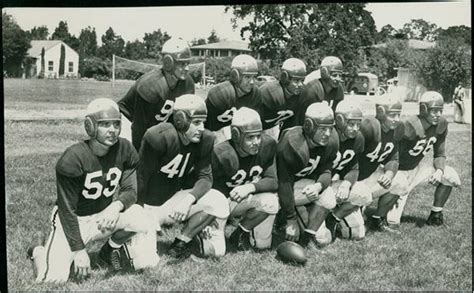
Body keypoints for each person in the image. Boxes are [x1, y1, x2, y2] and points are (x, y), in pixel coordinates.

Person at [27, 98, 151, 282]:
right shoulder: (73, 158)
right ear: (90, 126)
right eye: (105, 124)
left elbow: (131, 191)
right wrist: (79, 250)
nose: (112, 129)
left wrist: (115, 206)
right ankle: (37, 249)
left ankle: (109, 250)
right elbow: (67, 210)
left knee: (142, 218)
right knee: (52, 279)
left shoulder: (125, 148)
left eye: (116, 124)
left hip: (103, 216)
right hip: (73, 219)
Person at [136, 94, 230, 261]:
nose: (201, 128)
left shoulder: (206, 139)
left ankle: (182, 241)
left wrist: (188, 200)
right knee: (146, 261)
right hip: (149, 205)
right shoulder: (158, 136)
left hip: (174, 201)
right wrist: (139, 214)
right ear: (180, 120)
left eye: (203, 122)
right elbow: (140, 178)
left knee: (219, 201)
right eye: (196, 122)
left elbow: (206, 178)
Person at [386, 91, 461, 227]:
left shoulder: (441, 124)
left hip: (416, 169)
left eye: (440, 110)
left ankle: (436, 214)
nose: (438, 114)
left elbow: (440, 153)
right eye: (434, 111)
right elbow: (391, 156)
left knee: (450, 175)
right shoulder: (408, 126)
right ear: (424, 109)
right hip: (399, 172)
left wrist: (439, 171)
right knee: (392, 221)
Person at [212, 107, 279, 252]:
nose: (256, 142)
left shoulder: (268, 145)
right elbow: (210, 193)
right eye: (250, 137)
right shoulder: (221, 153)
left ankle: (242, 231)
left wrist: (249, 187)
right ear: (236, 135)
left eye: (258, 136)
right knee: (215, 251)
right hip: (222, 201)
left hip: (244, 198)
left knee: (271, 202)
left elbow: (273, 181)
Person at [276, 102, 339, 248]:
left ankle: (308, 237)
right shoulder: (292, 143)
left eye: (330, 128)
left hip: (300, 188)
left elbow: (326, 171)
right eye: (323, 129)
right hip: (279, 191)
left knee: (323, 237)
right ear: (309, 126)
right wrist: (290, 219)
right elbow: (283, 182)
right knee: (262, 241)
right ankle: (281, 220)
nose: (328, 133)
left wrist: (318, 185)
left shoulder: (331, 141)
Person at [117, 37, 195, 150]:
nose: (187, 68)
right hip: (129, 121)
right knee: (132, 159)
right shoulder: (150, 85)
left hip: (156, 121)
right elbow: (139, 127)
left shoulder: (187, 83)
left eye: (188, 63)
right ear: (169, 62)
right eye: (182, 64)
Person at [355, 94, 406, 232]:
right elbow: (350, 157)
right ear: (381, 112)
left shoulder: (396, 129)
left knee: (400, 181)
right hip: (353, 180)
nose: (396, 119)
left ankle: (377, 219)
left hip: (369, 176)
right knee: (355, 232)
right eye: (392, 115)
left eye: (398, 115)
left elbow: (393, 158)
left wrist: (389, 174)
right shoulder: (369, 126)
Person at [323, 100, 369, 241]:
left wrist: (347, 183)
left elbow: (354, 168)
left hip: (333, 185)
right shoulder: (327, 137)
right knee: (321, 239)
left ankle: (333, 217)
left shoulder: (358, 139)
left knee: (357, 233)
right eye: (351, 124)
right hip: (318, 186)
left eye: (358, 124)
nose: (355, 129)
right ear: (340, 120)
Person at [204, 54, 261, 144]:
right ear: (236, 76)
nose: (252, 82)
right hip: (212, 133)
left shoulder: (255, 94)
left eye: (254, 77)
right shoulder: (221, 93)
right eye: (247, 77)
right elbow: (206, 125)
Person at [258, 58, 307, 140]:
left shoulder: (300, 94)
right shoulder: (269, 92)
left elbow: (292, 124)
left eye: (302, 80)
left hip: (275, 127)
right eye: (296, 80)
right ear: (285, 78)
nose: (301, 84)